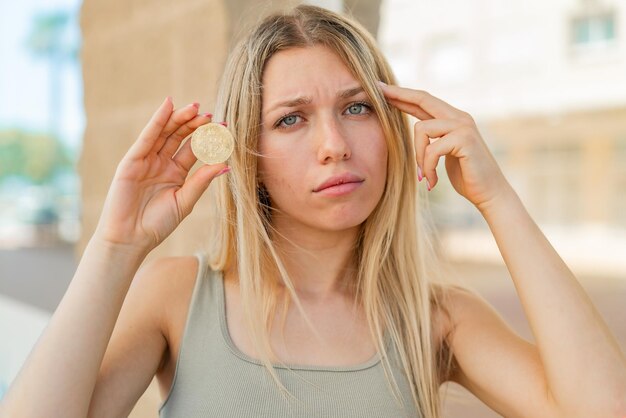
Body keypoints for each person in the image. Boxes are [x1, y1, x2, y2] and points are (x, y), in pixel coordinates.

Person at [1, 4, 625, 418]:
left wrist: (500, 203)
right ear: (249, 151)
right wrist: (115, 248)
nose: (335, 145)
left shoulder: (435, 318)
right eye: (291, 119)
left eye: (356, 108)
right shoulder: (176, 296)